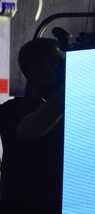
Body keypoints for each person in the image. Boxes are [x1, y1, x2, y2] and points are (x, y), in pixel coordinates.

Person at [0, 38, 65, 213]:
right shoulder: (13, 109)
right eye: (56, 64)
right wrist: (73, 83)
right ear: (36, 71)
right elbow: (35, 125)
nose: (62, 70)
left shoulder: (71, 112)